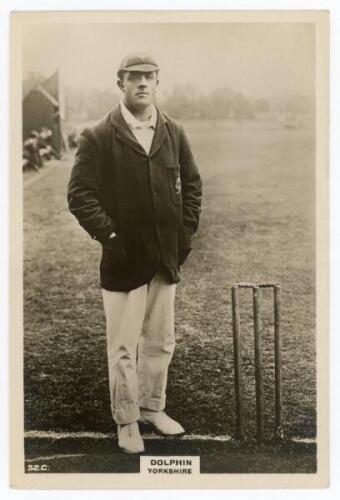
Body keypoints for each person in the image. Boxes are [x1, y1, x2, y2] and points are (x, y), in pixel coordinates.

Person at [67, 53, 202, 454]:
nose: (142, 83)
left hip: (164, 256)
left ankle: (151, 407)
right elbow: (80, 195)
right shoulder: (98, 134)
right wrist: (111, 237)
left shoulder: (173, 130)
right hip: (123, 258)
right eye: (134, 77)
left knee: (161, 341)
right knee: (124, 344)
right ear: (120, 83)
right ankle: (127, 421)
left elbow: (192, 185)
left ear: (158, 82)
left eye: (149, 77)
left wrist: (184, 232)